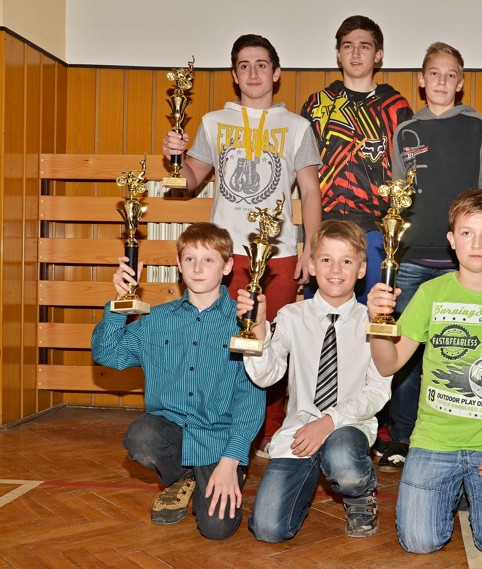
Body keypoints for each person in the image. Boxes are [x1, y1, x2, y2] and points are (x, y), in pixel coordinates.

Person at [367, 190, 482, 559]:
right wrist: (378, 324)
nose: (477, 244)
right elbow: (388, 364)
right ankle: (458, 489)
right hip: (434, 442)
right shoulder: (430, 293)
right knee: (419, 542)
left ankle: (471, 490)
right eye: (467, 233)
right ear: (452, 240)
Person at [162, 34, 322, 459]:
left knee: (271, 343)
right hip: (223, 256)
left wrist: (310, 247)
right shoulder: (214, 122)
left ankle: (269, 429)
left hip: (279, 254)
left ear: (276, 72)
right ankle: (219, 427)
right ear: (234, 75)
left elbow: (310, 191)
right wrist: (175, 155)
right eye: (244, 65)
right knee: (222, 342)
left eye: (262, 64)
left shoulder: (297, 127)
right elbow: (190, 180)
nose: (253, 73)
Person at [91, 222, 265, 540]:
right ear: (178, 264)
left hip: (218, 441)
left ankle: (223, 474)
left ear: (227, 266)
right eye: (189, 259)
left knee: (216, 530)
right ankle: (183, 476)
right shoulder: (157, 320)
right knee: (142, 436)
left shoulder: (244, 324)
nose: (197, 268)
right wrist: (118, 303)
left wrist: (231, 460)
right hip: (171, 434)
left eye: (209, 260)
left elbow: (251, 398)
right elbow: (108, 354)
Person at [375, 41, 482, 471]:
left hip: (462, 263)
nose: (442, 81)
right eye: (434, 73)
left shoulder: (477, 125)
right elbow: (396, 198)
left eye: (450, 75)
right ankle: (403, 436)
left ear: (460, 83)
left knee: (462, 351)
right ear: (422, 80)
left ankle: (464, 434)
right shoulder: (405, 131)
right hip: (411, 258)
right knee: (407, 356)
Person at [237, 220, 392, 540]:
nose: (335, 269)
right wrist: (259, 328)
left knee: (342, 455)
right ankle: (305, 477)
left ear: (362, 269)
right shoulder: (292, 316)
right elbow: (265, 376)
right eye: (326, 259)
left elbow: (378, 392)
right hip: (301, 431)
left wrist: (329, 421)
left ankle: (360, 492)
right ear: (311, 265)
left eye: (346, 261)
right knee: (268, 529)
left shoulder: (374, 322)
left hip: (349, 427)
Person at [301, 15, 413, 303]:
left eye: (364, 46)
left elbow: (407, 175)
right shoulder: (317, 105)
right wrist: (309, 241)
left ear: (378, 55)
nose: (355, 53)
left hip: (375, 230)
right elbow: (305, 175)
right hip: (324, 227)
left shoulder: (395, 106)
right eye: (347, 45)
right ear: (338, 53)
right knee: (318, 317)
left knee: (373, 314)